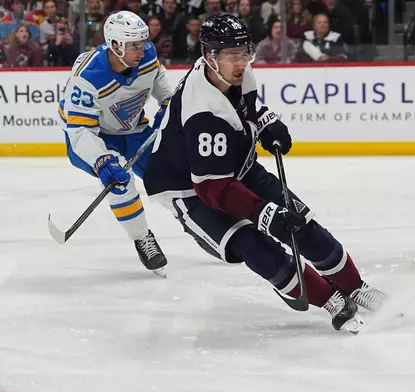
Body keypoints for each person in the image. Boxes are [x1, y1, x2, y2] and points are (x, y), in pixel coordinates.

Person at [143, 15, 384, 333]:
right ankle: (329, 299)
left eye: (245, 52)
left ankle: (355, 286)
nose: (241, 61)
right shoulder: (202, 109)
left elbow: (250, 108)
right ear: (209, 56)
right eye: (232, 55)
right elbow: (213, 189)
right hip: (188, 188)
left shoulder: (236, 71)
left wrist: (268, 122)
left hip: (235, 166)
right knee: (253, 244)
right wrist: (265, 213)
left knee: (301, 223)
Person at [58, 10, 173, 276]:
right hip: (91, 135)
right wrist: (101, 160)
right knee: (119, 181)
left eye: (144, 42)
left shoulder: (148, 55)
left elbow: (159, 82)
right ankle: (143, 237)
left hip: (131, 128)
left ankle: (198, 224)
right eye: (134, 44)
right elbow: (80, 132)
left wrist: (169, 103)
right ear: (115, 45)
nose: (142, 50)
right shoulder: (87, 76)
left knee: (169, 178)